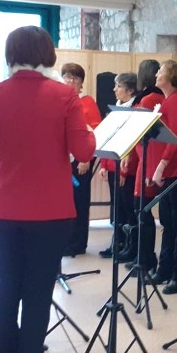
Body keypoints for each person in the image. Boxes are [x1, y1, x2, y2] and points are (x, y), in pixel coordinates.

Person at [0, 26, 96, 353]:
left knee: (6, 289)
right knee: (37, 295)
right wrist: (89, 132)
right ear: (47, 54)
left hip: (6, 208)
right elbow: (83, 151)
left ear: (11, 54)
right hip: (50, 212)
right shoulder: (64, 95)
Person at [146, 60, 177, 295]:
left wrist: (161, 167)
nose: (156, 74)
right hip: (168, 170)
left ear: (172, 76)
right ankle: (165, 268)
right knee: (167, 222)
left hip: (176, 171)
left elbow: (176, 138)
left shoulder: (176, 101)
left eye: (161, 71)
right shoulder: (168, 100)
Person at [116, 60, 164, 268]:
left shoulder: (149, 99)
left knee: (140, 211)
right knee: (140, 211)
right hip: (144, 158)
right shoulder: (153, 97)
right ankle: (139, 254)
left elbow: (137, 134)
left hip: (144, 160)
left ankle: (144, 257)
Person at [61, 62, 102, 256]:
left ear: (81, 82)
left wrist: (87, 158)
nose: (71, 81)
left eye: (75, 78)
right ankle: (65, 240)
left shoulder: (87, 102)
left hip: (81, 159)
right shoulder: (59, 100)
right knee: (65, 202)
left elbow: (95, 132)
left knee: (79, 201)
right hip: (62, 160)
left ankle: (78, 243)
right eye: (67, 77)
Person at [98, 72, 137, 259]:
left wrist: (124, 170)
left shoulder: (135, 110)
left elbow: (131, 144)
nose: (114, 89)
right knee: (116, 208)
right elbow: (110, 138)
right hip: (113, 165)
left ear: (130, 90)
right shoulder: (117, 109)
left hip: (125, 169)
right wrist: (104, 164)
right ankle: (117, 243)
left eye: (118, 86)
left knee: (127, 208)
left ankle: (128, 245)